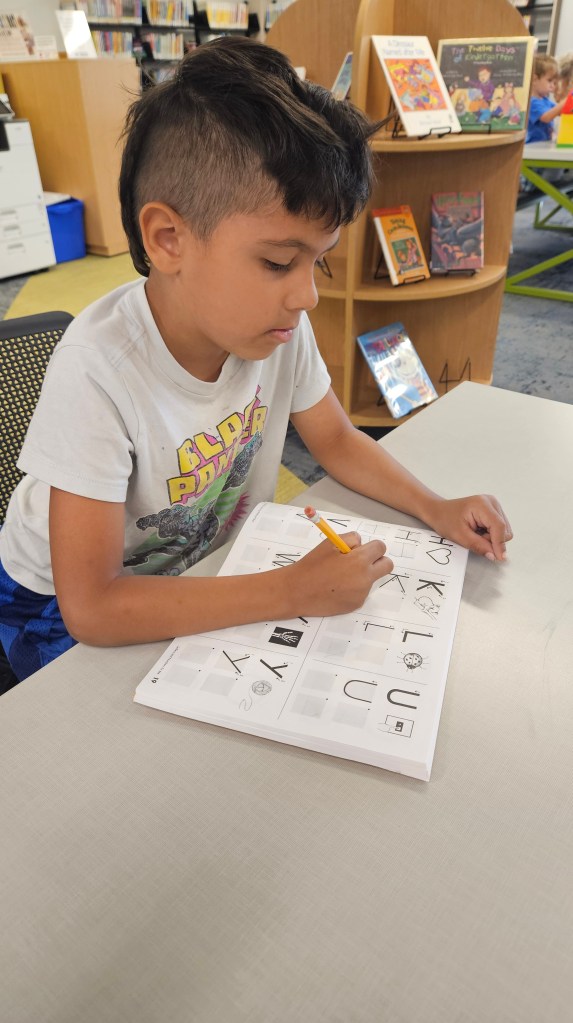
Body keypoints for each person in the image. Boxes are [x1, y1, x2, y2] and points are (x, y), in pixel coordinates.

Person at [0, 37, 513, 684]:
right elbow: (94, 607)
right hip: (52, 602)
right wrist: (290, 590)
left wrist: (435, 507)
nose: (307, 295)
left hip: (193, 571)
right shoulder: (98, 370)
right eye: (277, 262)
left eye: (318, 261)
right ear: (168, 239)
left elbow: (336, 439)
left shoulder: (275, 326)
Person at [526, 54, 571, 143]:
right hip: (533, 145)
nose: (553, 86)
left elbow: (560, 112)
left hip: (543, 143)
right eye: (549, 81)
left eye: (554, 83)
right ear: (534, 79)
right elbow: (546, 117)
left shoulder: (545, 101)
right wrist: (567, 99)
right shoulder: (532, 102)